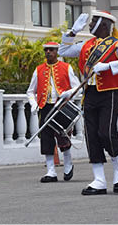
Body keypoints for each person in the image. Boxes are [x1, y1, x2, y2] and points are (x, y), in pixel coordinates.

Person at [59, 11, 118, 195]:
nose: (90, 23)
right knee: (91, 135)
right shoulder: (86, 45)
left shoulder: (116, 45)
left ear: (104, 24)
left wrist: (109, 67)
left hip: (109, 93)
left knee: (106, 132)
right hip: (90, 93)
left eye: (94, 20)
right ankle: (99, 180)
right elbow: (63, 51)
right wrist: (72, 32)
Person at [27, 42, 80, 183]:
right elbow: (30, 91)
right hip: (45, 107)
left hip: (62, 107)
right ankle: (51, 171)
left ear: (57, 51)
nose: (48, 52)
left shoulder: (66, 68)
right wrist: (33, 104)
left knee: (63, 136)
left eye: (51, 50)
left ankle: (68, 164)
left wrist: (67, 94)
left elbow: (77, 88)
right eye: (46, 50)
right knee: (46, 138)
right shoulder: (38, 70)